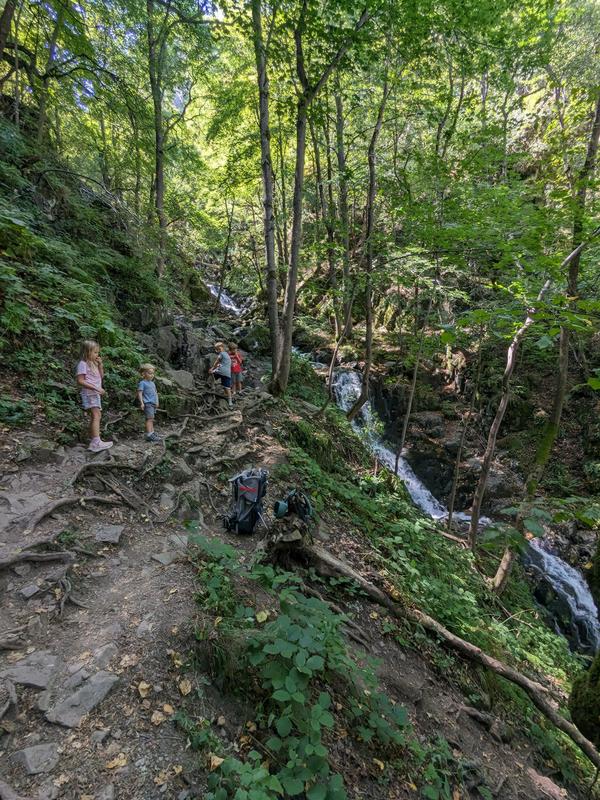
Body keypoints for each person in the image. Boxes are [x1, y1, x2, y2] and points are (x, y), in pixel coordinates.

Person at [76, 340, 113, 453]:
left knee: (95, 416)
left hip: (94, 393)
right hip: (90, 393)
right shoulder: (82, 364)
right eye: (95, 352)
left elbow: (100, 377)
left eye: (98, 352)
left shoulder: (93, 363)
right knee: (97, 415)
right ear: (87, 352)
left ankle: (94, 441)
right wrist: (96, 388)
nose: (97, 354)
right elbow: (80, 380)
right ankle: (96, 442)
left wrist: (100, 365)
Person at [137, 363, 161, 443]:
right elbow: (140, 393)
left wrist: (157, 401)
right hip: (147, 403)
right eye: (150, 373)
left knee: (151, 419)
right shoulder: (142, 383)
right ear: (144, 374)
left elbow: (155, 393)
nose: (152, 375)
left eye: (153, 373)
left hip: (153, 404)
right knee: (149, 419)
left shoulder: (153, 383)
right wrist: (142, 403)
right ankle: (149, 434)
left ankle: (152, 433)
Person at [210, 341, 232, 407]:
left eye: (218, 349)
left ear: (221, 348)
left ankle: (212, 386)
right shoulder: (227, 355)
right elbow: (224, 364)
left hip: (221, 371)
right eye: (216, 349)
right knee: (227, 387)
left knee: (212, 373)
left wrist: (212, 368)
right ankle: (230, 401)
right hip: (228, 373)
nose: (217, 351)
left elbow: (217, 362)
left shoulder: (221, 354)